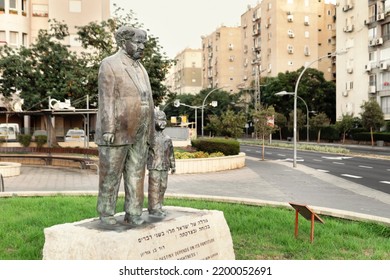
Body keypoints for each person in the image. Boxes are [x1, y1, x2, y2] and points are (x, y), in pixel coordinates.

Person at [95, 26, 154, 225]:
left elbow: (148, 100)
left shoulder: (141, 67)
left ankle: (134, 212)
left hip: (142, 128)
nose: (142, 46)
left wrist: (151, 131)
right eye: (138, 42)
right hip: (117, 130)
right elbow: (107, 99)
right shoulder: (110, 64)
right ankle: (106, 214)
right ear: (123, 42)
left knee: (137, 173)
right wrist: (108, 129)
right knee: (111, 174)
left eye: (144, 42)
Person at [147, 110, 175, 216]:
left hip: (164, 166)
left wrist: (173, 165)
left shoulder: (168, 139)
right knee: (154, 187)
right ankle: (153, 209)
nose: (162, 122)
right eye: (159, 119)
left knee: (163, 186)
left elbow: (171, 153)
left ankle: (159, 206)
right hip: (154, 166)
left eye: (164, 119)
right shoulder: (150, 138)